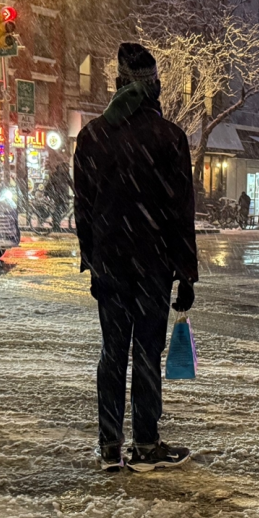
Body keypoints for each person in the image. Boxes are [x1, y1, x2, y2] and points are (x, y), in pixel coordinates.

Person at [73, 43, 197, 473]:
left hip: (111, 264)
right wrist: (186, 274)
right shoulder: (169, 138)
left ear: (117, 85)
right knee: (146, 351)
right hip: (154, 266)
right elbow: (181, 212)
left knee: (112, 351)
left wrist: (91, 261)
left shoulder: (91, 138)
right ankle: (145, 444)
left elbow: (83, 211)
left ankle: (110, 445)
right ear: (153, 87)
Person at [43, 155, 73, 231]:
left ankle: (55, 221)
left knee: (62, 208)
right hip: (58, 195)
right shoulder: (58, 175)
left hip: (61, 194)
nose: (67, 169)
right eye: (66, 167)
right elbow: (50, 184)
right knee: (59, 209)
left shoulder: (62, 174)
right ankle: (56, 225)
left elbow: (71, 184)